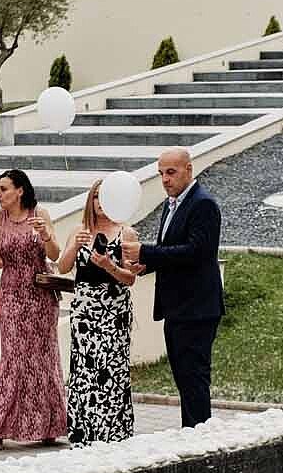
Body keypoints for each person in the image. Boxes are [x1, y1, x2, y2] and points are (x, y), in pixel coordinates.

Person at [0, 169, 67, 449]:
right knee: (14, 359)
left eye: (4, 189)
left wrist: (46, 235)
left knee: (43, 361)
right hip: (11, 295)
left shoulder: (39, 213)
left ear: (20, 190)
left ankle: (49, 427)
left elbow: (55, 255)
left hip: (40, 297)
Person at [122, 147, 223, 427]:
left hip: (196, 308)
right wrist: (147, 265)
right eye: (161, 174)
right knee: (183, 377)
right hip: (177, 307)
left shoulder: (203, 204)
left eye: (171, 172)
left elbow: (196, 252)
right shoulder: (173, 204)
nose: (165, 180)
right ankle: (191, 431)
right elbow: (172, 249)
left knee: (193, 378)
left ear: (188, 170)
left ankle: (199, 435)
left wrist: (146, 252)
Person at [57, 180, 139, 446]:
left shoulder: (126, 233)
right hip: (84, 309)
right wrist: (72, 247)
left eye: (106, 198)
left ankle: (112, 432)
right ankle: (83, 432)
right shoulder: (79, 230)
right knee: (84, 367)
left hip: (113, 309)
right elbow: (63, 267)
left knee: (111, 366)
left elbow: (130, 278)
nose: (100, 204)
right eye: (96, 198)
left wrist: (107, 266)